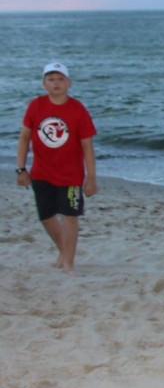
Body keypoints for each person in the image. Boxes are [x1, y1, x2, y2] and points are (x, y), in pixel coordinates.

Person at [15, 62, 98, 275]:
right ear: (44, 84)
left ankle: (69, 263)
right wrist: (21, 169)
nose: (56, 83)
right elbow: (24, 138)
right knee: (46, 217)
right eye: (51, 79)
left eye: (60, 79)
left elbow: (87, 146)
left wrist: (91, 177)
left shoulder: (78, 109)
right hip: (41, 172)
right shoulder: (36, 105)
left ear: (68, 83)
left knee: (70, 216)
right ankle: (64, 250)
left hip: (71, 175)